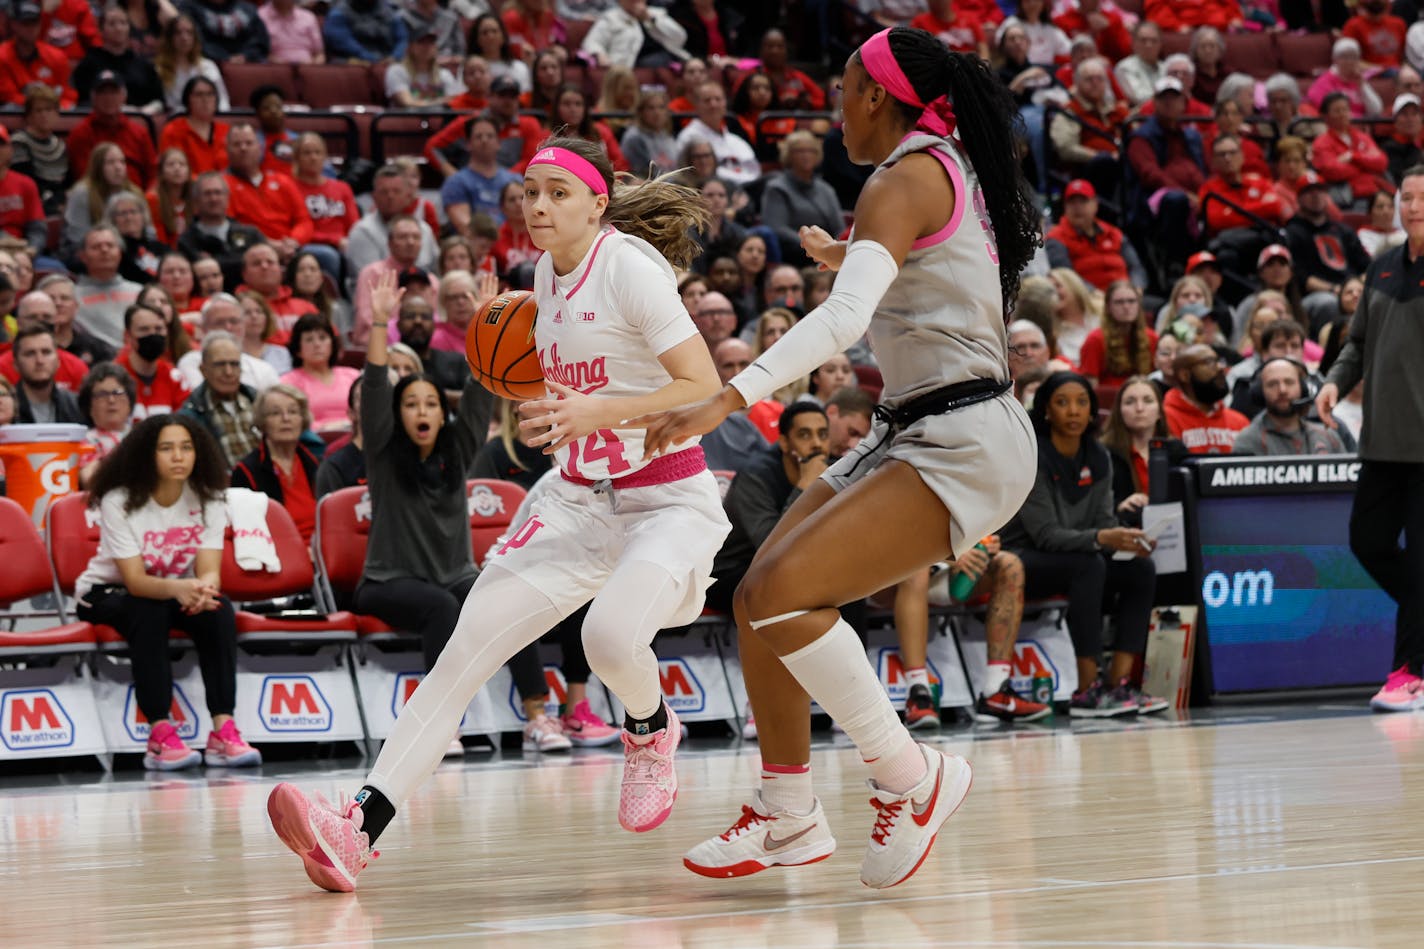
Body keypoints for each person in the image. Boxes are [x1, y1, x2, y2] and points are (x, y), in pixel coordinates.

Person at [267, 136, 733, 892]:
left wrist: (600, 410)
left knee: (609, 638)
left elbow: (702, 383)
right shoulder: (540, 279)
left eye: (556, 192)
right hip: (577, 500)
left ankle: (650, 730)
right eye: (529, 191)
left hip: (666, 501)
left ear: (597, 202)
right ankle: (356, 828)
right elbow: (560, 381)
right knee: (462, 652)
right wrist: (528, 381)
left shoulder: (630, 268)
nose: (537, 206)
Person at [637, 26, 1042, 886]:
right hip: (917, 425)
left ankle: (912, 776)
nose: (834, 106)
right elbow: (937, 274)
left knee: (788, 594)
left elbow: (845, 322)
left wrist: (729, 392)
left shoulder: (907, 175)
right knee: (756, 598)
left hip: (963, 437)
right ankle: (789, 813)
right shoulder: (935, 169)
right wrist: (852, 253)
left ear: (875, 97)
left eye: (844, 88)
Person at [75, 413, 260, 770]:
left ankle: (223, 729)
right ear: (147, 454)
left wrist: (205, 591)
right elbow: (135, 581)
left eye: (186, 448)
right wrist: (181, 588)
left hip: (174, 589)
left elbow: (209, 569)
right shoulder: (120, 500)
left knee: (218, 610)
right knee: (148, 609)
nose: (179, 456)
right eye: (167, 448)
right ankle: (160, 732)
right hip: (105, 592)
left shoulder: (209, 498)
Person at [1317, 166, 1424, 710]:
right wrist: (1335, 383)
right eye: (1406, 197)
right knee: (1368, 542)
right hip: (1383, 444)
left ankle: (1410, 674)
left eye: (1423, 197)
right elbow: (1356, 343)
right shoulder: (1382, 268)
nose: (1414, 205)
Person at [998, 371, 1166, 717]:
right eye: (1062, 403)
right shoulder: (1032, 456)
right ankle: (1087, 690)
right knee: (1090, 566)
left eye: (1081, 402)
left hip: (1080, 553)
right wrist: (1102, 538)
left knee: (1140, 569)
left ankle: (1119, 685)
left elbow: (1104, 521)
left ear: (1092, 411)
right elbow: (1045, 534)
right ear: (1046, 410)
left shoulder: (1099, 456)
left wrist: (1125, 538)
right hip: (1025, 556)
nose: (1073, 411)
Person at [230, 383, 321, 540]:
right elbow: (249, 533)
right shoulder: (247, 471)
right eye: (275, 413)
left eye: (293, 411)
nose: (286, 419)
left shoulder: (317, 463)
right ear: (262, 422)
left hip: (322, 550)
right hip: (278, 554)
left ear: (303, 419)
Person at [1044, 179, 1145, 291]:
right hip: (1088, 301)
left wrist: (1136, 289)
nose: (1077, 207)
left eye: (1083, 201)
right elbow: (1066, 279)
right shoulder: (1056, 238)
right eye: (1072, 202)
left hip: (1126, 297)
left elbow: (1136, 268)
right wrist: (1096, 296)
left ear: (1095, 204)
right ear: (1065, 207)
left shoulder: (1113, 233)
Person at [178, 329, 259, 468]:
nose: (228, 372)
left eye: (234, 364)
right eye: (220, 364)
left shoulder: (260, 402)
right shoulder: (190, 417)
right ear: (203, 370)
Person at [1233, 357, 1346, 456]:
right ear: (1259, 392)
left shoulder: (1328, 437)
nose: (1282, 390)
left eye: (1289, 382)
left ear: (1303, 388)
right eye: (1272, 384)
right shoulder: (1248, 441)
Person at [1100, 374, 1173, 528]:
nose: (1139, 408)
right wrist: (1119, 506)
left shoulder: (1176, 450)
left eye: (1148, 401)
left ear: (1160, 411)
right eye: (1130, 402)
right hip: (1123, 532)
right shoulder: (1103, 452)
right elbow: (1094, 506)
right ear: (1119, 411)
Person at [65, 70, 156, 190]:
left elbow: (153, 174)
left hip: (137, 200)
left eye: (113, 92)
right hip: (97, 198)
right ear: (93, 97)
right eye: (102, 92)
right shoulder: (80, 134)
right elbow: (83, 177)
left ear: (123, 97)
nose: (108, 98)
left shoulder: (139, 133)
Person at [64, 141, 144, 263]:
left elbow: (148, 230)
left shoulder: (134, 193)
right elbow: (77, 238)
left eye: (122, 162)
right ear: (98, 167)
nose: (118, 167)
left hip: (129, 251)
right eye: (111, 162)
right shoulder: (82, 193)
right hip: (89, 253)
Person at [279, 314, 360, 432]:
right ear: (298, 349)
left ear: (332, 344)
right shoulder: (288, 382)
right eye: (309, 339)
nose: (317, 345)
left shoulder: (353, 376)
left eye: (322, 338)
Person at [72, 4, 163, 109]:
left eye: (123, 23)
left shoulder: (144, 65)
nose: (119, 28)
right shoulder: (88, 64)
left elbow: (158, 100)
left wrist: (145, 111)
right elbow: (82, 102)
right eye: (112, 24)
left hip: (140, 119)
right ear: (101, 30)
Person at [1163, 343, 1249, 453]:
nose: (1220, 367)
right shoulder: (1166, 420)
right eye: (1209, 362)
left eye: (1218, 361)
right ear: (1184, 375)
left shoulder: (1239, 422)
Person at [1078, 281, 1158, 393]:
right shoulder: (1095, 340)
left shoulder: (1152, 338)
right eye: (1119, 302)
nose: (1126, 307)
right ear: (1108, 307)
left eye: (1131, 301)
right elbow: (1090, 387)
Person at [75, 224, 143, 351]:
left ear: (120, 253)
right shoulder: (71, 296)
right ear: (83, 256)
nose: (104, 250)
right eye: (96, 247)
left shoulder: (140, 291)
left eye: (110, 245)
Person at [11, 84, 72, 216]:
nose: (44, 115)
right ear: (28, 115)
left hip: (60, 205)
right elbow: (26, 182)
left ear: (57, 113)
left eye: (49, 109)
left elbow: (66, 182)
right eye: (38, 110)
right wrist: (54, 203)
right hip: (31, 206)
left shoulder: (60, 146)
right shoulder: (19, 142)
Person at [76, 360, 135, 487]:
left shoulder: (142, 436)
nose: (111, 400)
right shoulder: (84, 442)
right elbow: (90, 480)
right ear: (89, 406)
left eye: (118, 392)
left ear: (130, 402)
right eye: (102, 394)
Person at [153, 14, 227, 113]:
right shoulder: (160, 69)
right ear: (169, 38)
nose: (184, 38)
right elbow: (168, 104)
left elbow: (223, 101)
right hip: (179, 119)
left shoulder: (208, 66)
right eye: (178, 33)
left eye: (189, 32)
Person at [157, 76, 229, 178]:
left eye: (210, 94)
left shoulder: (227, 131)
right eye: (199, 95)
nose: (205, 100)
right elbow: (169, 169)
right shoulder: (173, 130)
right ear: (187, 100)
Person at [582, 0, 689, 68]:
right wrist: (600, 54)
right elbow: (591, 42)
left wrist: (651, 19)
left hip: (666, 58)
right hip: (630, 64)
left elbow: (680, 37)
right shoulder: (611, 18)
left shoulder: (657, 14)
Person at [13, 324, 83, 423]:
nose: (39, 360)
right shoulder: (5, 407)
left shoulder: (78, 405)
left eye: (46, 352)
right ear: (16, 364)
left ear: (58, 361)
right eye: (30, 353)